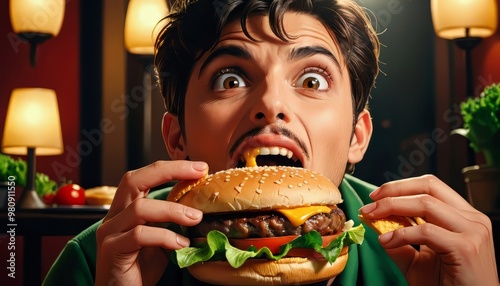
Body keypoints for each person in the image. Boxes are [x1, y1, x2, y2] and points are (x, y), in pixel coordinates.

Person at [43, 0, 498, 285]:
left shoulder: (422, 255)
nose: (271, 103)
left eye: (313, 79)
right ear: (177, 138)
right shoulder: (101, 259)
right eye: (230, 77)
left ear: (357, 136)